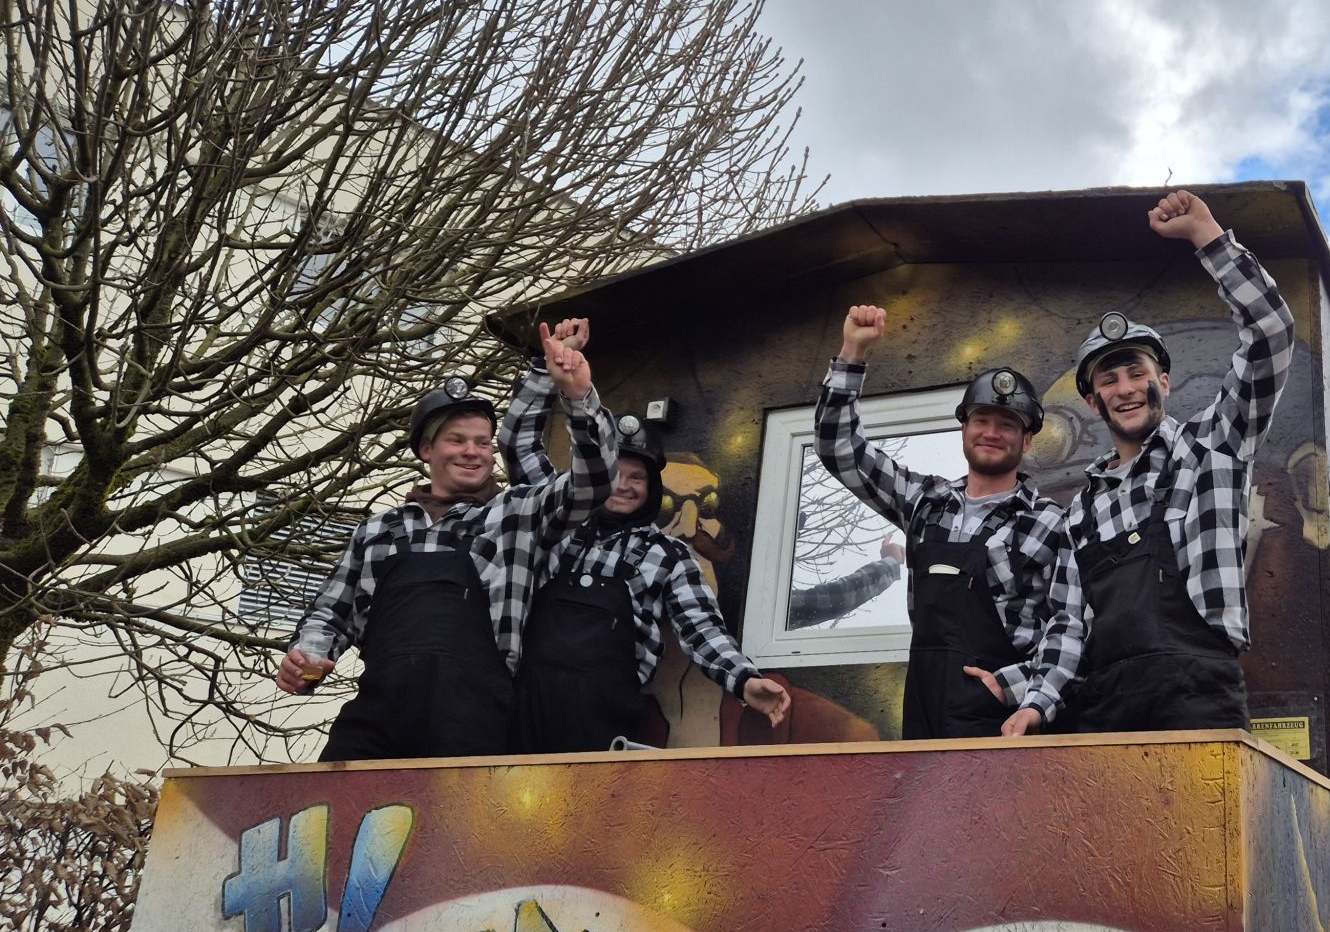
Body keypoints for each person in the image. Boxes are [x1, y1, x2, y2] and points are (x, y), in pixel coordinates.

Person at [280, 326, 616, 759]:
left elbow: (596, 483)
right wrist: (305, 661)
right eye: (457, 440)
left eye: (482, 442)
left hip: (474, 717)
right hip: (378, 713)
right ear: (426, 449)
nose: (472, 452)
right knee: (331, 816)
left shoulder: (516, 514)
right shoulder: (379, 530)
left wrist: (578, 396)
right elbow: (332, 614)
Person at [1061, 189, 1295, 732]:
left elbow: (1272, 334)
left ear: (1162, 381)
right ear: (1094, 403)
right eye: (1109, 380)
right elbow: (1069, 626)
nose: (1127, 389)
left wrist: (1207, 236)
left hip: (1198, 699)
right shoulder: (1082, 512)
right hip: (1104, 708)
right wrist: (1026, 695)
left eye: (1137, 372)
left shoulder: (1214, 446)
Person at [497, 330, 790, 753]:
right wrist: (547, 368)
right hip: (519, 704)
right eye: (616, 472)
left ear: (653, 489)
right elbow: (518, 444)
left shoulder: (668, 555)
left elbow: (702, 628)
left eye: (638, 477)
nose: (625, 485)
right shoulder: (555, 516)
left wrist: (745, 680)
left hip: (601, 718)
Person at [818, 314, 1085, 737]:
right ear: (964, 428)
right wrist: (853, 352)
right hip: (922, 705)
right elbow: (840, 450)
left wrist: (1024, 695)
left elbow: (1069, 626)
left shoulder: (1051, 522)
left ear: (1027, 439)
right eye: (982, 420)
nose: (991, 432)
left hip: (1003, 718)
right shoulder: (924, 502)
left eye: (1007, 425)